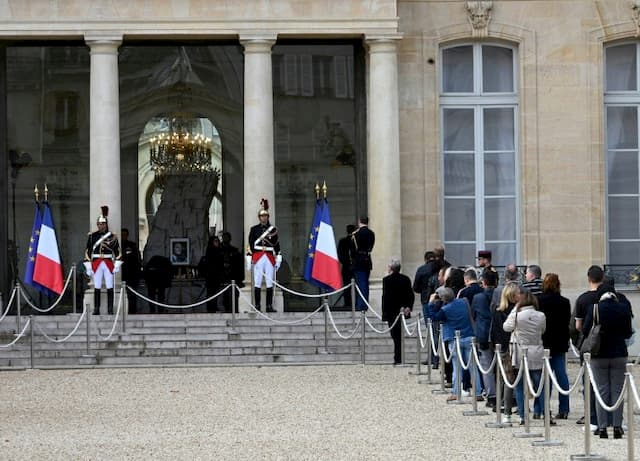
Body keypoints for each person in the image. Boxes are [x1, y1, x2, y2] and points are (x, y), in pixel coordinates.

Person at [583, 289, 633, 439]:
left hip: (599, 354)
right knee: (618, 391)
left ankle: (602, 427)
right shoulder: (623, 308)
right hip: (619, 353)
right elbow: (628, 333)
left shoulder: (595, 308)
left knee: (601, 390)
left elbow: (586, 331)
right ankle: (617, 426)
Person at [503, 286, 547, 425]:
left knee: (520, 386)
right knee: (539, 384)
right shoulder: (541, 315)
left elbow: (507, 327)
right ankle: (545, 412)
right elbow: (542, 330)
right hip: (537, 350)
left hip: (520, 352)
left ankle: (522, 415)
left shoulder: (517, 314)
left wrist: (514, 310)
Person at [432, 286, 483, 402]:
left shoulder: (445, 309)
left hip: (454, 339)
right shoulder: (464, 302)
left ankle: (456, 392)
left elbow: (433, 316)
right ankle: (478, 392)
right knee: (473, 367)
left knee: (457, 367)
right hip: (469, 336)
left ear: (443, 299)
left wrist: (431, 303)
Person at [573, 265, 605, 427]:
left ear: (588, 278)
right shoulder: (611, 296)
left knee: (589, 381)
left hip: (589, 343)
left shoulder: (583, 299)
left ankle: (591, 415)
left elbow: (577, 326)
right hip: (606, 342)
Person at [537, 273, 571, 419]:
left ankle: (542, 409)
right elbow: (566, 323)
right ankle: (564, 408)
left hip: (544, 341)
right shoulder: (565, 301)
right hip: (559, 341)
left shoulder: (539, 300)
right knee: (561, 375)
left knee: (544, 376)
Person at [490, 281, 519, 423]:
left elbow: (495, 332)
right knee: (512, 379)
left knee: (504, 378)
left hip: (502, 347)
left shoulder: (498, 312)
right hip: (513, 347)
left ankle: (502, 404)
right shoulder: (517, 310)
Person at [84, 206, 121, 315]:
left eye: (103, 224)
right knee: (97, 286)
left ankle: (110, 309)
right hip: (96, 262)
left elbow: (117, 251)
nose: (101, 226)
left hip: (108, 262)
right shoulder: (92, 236)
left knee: (110, 285)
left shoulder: (112, 236)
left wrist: (117, 264)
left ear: (105, 224)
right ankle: (96, 308)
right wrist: (88, 266)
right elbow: (88, 251)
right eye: (99, 224)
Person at [247, 199, 281, 312]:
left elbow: (276, 243)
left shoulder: (273, 229)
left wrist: (279, 255)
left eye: (265, 216)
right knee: (257, 281)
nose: (264, 218)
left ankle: (269, 306)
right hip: (258, 256)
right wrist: (249, 256)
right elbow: (251, 243)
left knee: (269, 282)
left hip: (269, 256)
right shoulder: (254, 229)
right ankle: (257, 305)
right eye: (262, 216)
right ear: (259, 218)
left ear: (268, 217)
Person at [471, 268, 498, 409]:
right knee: (499, 366)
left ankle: (492, 395)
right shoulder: (500, 295)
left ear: (483, 282)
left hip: (483, 334)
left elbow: (473, 316)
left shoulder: (478, 297)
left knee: (486, 366)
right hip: (498, 334)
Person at [382, 258, 414, 365]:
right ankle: (398, 357)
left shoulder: (386, 280)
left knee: (395, 336)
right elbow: (410, 295)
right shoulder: (406, 279)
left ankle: (398, 358)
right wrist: (408, 307)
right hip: (402, 310)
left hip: (392, 312)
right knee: (398, 336)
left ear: (390, 268)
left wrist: (384, 314)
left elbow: (385, 298)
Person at [350, 216, 375, 311]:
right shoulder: (371, 233)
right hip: (367, 260)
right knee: (365, 283)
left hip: (358, 261)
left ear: (359, 222)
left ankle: (361, 305)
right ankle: (364, 304)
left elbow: (352, 251)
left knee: (361, 284)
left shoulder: (356, 234)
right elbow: (371, 248)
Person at [218, 231, 244, 312]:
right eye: (224, 237)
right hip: (222, 276)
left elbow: (238, 263)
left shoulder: (234, 250)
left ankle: (232, 309)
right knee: (223, 295)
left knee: (232, 295)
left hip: (232, 276)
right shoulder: (218, 249)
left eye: (227, 237)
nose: (226, 239)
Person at [120, 228, 142, 314]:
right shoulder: (116, 245)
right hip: (121, 274)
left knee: (132, 295)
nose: (123, 236)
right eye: (122, 235)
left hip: (132, 274)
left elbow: (137, 259)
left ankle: (132, 311)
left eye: (125, 235)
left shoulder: (132, 245)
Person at [337, 224, 356, 307]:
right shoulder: (355, 241)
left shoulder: (342, 241)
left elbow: (340, 255)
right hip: (354, 267)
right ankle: (354, 303)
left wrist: (345, 263)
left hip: (346, 267)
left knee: (346, 286)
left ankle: (347, 303)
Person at [204, 236, 222, 312]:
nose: (217, 242)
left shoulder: (219, 251)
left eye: (217, 241)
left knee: (215, 292)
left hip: (216, 276)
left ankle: (214, 306)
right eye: (215, 241)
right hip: (211, 276)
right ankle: (211, 307)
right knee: (211, 292)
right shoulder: (210, 251)